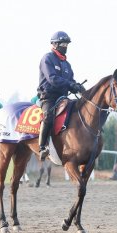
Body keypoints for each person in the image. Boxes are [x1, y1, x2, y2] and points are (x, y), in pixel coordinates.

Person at [38, 31, 85, 161]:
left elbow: (71, 80)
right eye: (63, 44)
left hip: (63, 97)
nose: (65, 46)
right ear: (54, 44)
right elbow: (52, 79)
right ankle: (42, 147)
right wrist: (70, 84)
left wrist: (78, 87)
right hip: (49, 97)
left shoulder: (67, 64)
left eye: (66, 44)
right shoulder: (47, 58)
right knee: (48, 116)